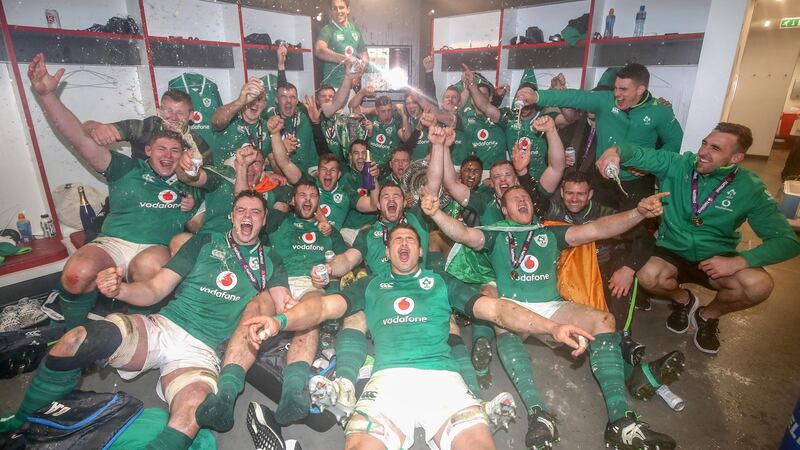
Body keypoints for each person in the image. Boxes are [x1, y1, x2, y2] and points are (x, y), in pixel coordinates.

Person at [245, 225, 593, 450]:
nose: (404, 245)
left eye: (410, 239)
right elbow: (321, 310)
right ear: (388, 251)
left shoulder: (440, 283)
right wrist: (280, 320)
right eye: (397, 240)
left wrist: (553, 328)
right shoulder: (372, 285)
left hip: (444, 383)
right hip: (387, 384)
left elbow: (499, 311)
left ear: (420, 250)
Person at [0, 191, 290, 450]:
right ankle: (20, 421)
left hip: (202, 351)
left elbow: (285, 307)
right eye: (241, 210)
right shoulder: (203, 243)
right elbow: (154, 289)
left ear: (264, 220)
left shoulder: (273, 260)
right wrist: (121, 289)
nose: (247, 216)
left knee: (193, 409)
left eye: (255, 212)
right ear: (232, 216)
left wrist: (306, 297)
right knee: (76, 339)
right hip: (164, 326)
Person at [424, 184, 677, 449]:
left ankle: (620, 422)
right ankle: (538, 413)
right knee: (503, 324)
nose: (522, 201)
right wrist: (437, 214)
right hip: (513, 308)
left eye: (525, 198)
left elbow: (598, 228)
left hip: (552, 306)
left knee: (603, 321)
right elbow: (462, 233)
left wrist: (637, 213)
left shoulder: (548, 231)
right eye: (514, 199)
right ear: (504, 208)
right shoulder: (496, 234)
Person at [24, 53, 199, 330]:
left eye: (175, 151)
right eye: (161, 149)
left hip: (155, 247)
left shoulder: (191, 178)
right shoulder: (124, 167)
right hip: (115, 242)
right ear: (148, 150)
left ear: (185, 154)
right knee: (75, 274)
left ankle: (145, 332)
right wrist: (48, 97)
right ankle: (75, 333)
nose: (168, 156)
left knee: (150, 271)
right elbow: (81, 138)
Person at [597, 122, 800, 354]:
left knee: (759, 285)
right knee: (648, 275)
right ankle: (683, 301)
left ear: (736, 158)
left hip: (715, 257)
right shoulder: (678, 164)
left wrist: (740, 261)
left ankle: (707, 316)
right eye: (705, 143)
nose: (703, 152)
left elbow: (788, 241)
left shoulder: (750, 188)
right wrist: (615, 152)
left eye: (715, 148)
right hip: (670, 250)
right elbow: (638, 153)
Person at [528, 63, 684, 209]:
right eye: (615, 88)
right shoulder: (605, 100)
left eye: (623, 89)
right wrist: (537, 96)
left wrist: (651, 164)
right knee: (597, 227)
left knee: (634, 233)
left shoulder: (660, 111)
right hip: (603, 181)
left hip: (637, 183)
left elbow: (676, 142)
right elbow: (574, 97)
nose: (617, 94)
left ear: (640, 89)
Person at [83, 89, 211, 164]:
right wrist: (98, 129)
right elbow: (86, 127)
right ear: (159, 112)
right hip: (139, 188)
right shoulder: (144, 128)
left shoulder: (198, 146)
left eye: (180, 113)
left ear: (191, 116)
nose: (173, 118)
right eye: (168, 111)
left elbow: (210, 180)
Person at [315, 0, 369, 90]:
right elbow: (319, 50)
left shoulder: (355, 29)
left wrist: (357, 77)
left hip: (350, 88)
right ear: (330, 11)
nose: (338, 11)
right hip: (332, 88)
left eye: (341, 7)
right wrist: (346, 60)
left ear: (348, 10)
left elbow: (365, 59)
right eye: (334, 8)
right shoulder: (328, 29)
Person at [349, 91, 412, 167]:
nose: (387, 114)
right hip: (371, 166)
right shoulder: (370, 119)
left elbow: (407, 139)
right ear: (377, 111)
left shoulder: (396, 123)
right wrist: (362, 92)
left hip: (389, 168)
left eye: (389, 110)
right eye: (383, 111)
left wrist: (404, 116)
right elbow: (352, 107)